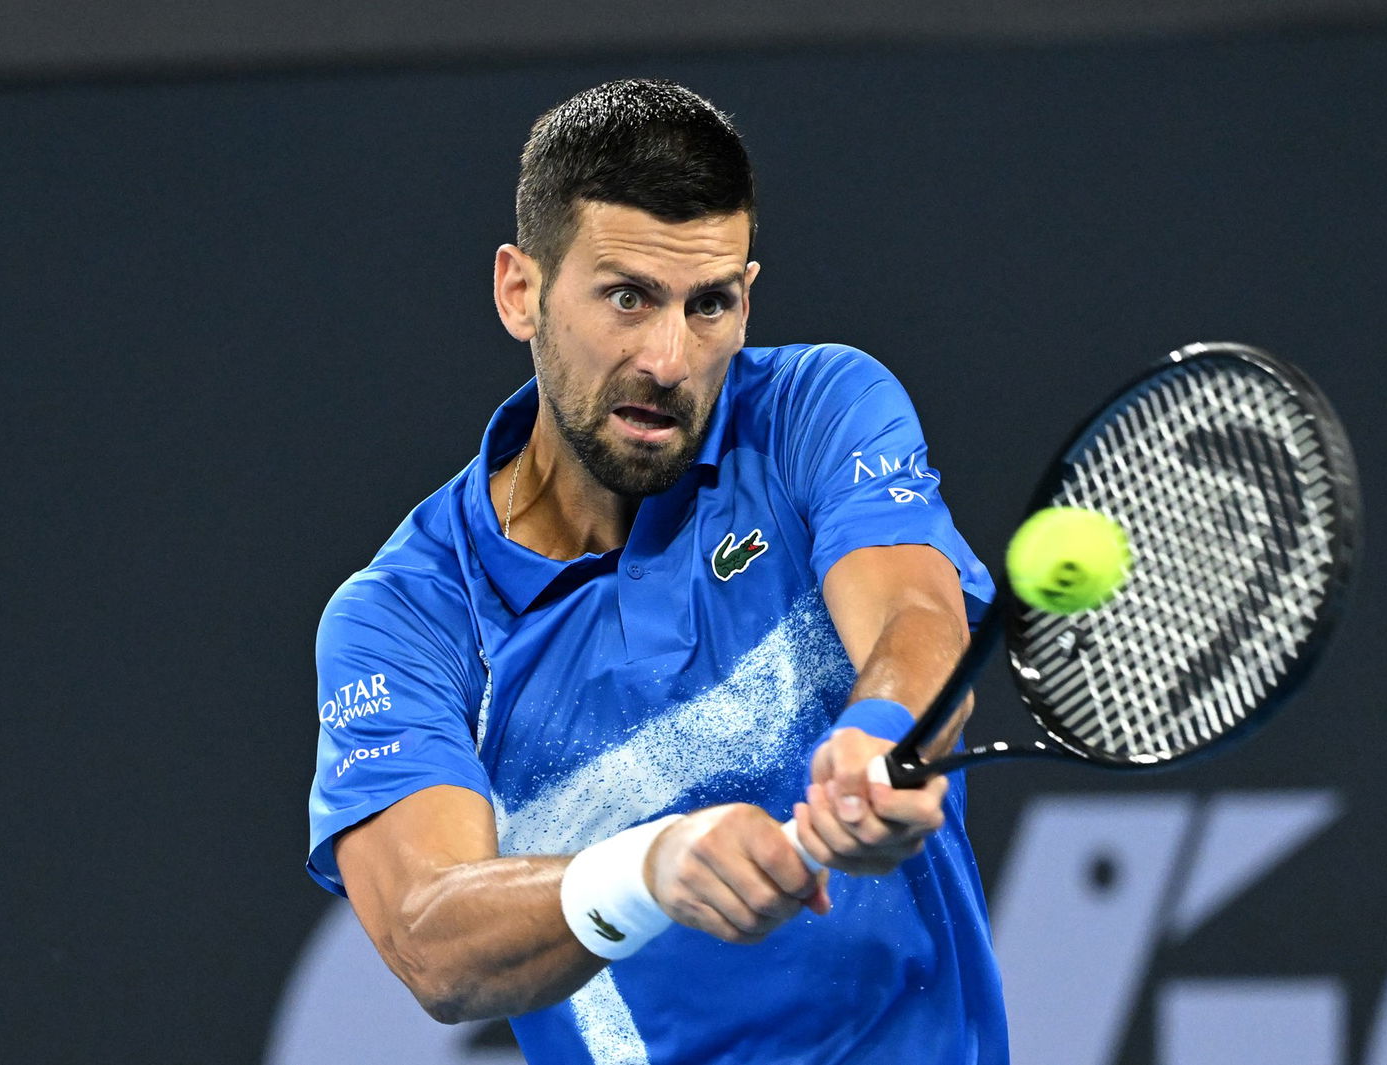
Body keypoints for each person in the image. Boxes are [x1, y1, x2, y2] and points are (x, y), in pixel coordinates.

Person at [307, 77, 1008, 1064]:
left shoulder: (815, 410)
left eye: (709, 304)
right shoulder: (406, 619)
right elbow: (432, 940)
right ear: (522, 291)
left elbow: (914, 613)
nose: (670, 358)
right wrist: (643, 871)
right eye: (627, 297)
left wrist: (883, 732)